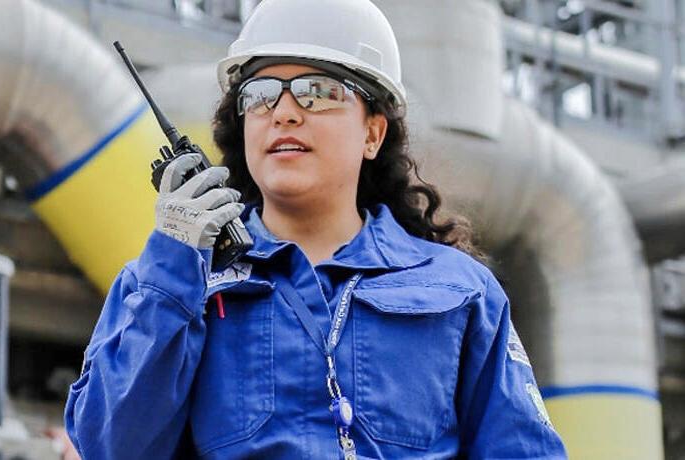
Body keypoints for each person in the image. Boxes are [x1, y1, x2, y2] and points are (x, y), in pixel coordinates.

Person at [64, 0, 568, 458]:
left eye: (317, 92)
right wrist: (174, 269)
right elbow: (111, 448)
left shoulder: (459, 291)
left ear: (373, 132)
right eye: (260, 95)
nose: (283, 112)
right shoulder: (164, 285)